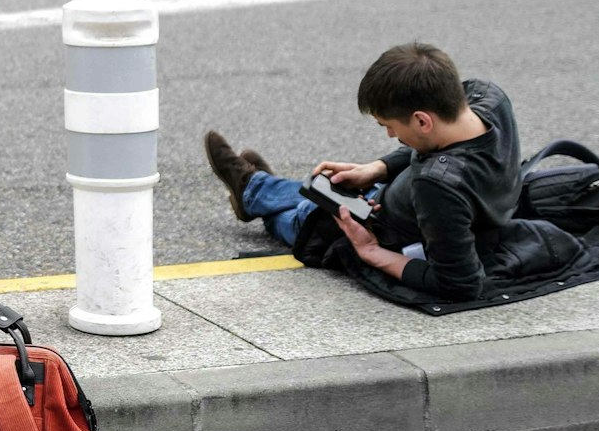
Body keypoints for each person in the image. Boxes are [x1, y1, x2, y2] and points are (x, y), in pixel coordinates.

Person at [201, 43, 523, 303]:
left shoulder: (436, 185)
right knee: (325, 190)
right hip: (392, 202)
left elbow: (460, 283)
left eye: (390, 127)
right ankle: (255, 191)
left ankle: (254, 191)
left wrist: (372, 253)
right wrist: (379, 169)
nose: (390, 137)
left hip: (376, 229)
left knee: (306, 218)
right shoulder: (487, 98)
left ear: (423, 121)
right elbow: (438, 145)